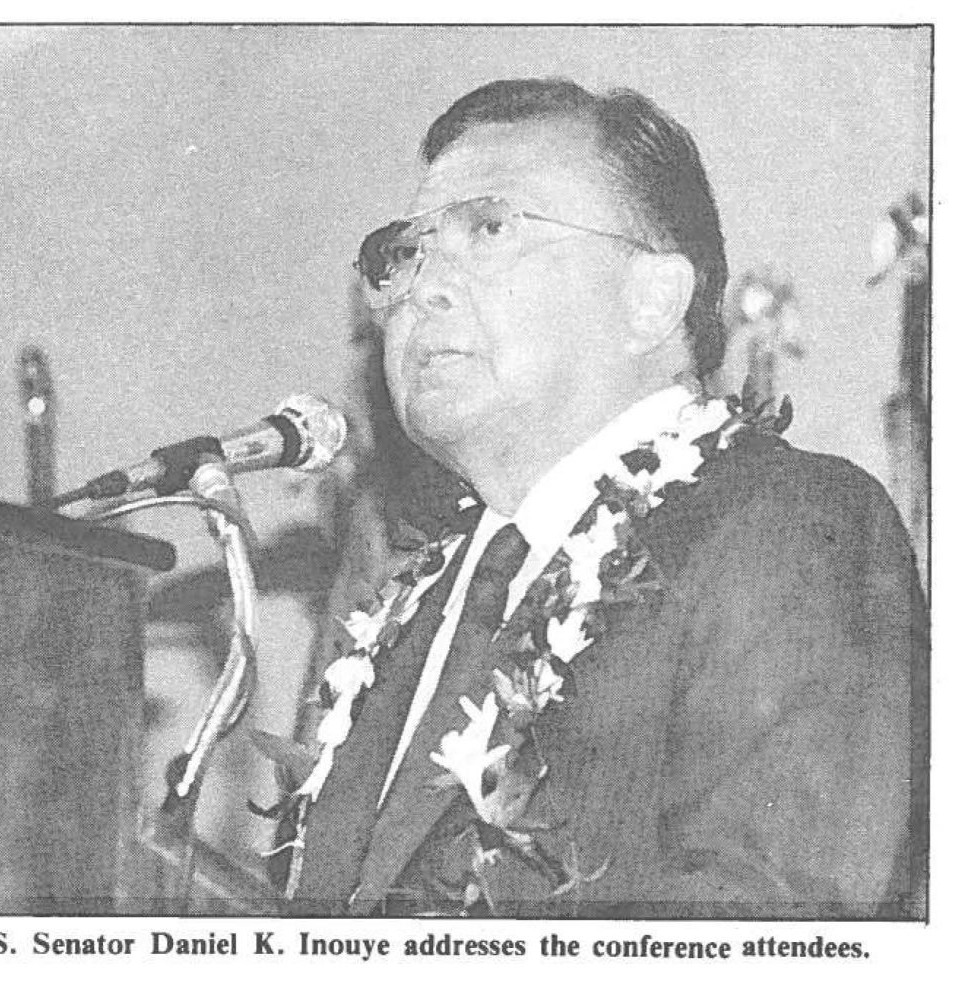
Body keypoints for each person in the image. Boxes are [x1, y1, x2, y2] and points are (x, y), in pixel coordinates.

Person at [270, 78, 927, 918]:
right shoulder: (407, 597)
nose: (420, 287)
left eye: (490, 228)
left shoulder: (792, 525)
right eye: (406, 252)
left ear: (651, 300)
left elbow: (771, 927)